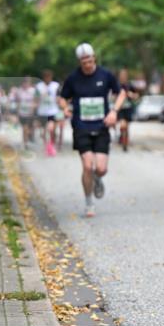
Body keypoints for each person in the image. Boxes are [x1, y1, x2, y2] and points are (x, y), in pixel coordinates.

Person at [57, 43, 126, 218]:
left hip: (102, 126)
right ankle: (89, 203)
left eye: (89, 60)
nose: (87, 64)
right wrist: (65, 108)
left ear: (94, 57)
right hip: (81, 126)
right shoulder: (73, 78)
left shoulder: (105, 75)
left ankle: (97, 178)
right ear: (79, 62)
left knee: (101, 168)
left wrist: (114, 112)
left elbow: (121, 93)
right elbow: (62, 98)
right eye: (83, 61)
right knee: (87, 166)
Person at [35, 70, 61, 156]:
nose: (47, 78)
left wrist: (59, 103)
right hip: (42, 112)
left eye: (49, 76)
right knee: (44, 132)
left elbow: (59, 97)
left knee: (51, 129)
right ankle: (47, 146)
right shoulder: (39, 86)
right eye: (46, 77)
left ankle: (52, 145)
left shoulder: (55, 86)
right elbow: (36, 98)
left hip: (53, 111)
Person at [116, 68, 139, 151]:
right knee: (122, 124)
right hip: (120, 108)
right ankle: (122, 137)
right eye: (121, 75)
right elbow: (112, 96)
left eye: (124, 75)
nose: (123, 76)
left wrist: (131, 95)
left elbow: (137, 96)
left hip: (128, 108)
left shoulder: (130, 85)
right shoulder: (117, 85)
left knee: (127, 126)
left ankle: (125, 139)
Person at [13, 76, 38, 150]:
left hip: (30, 113)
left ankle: (27, 140)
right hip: (22, 113)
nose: (26, 84)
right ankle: (25, 143)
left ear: (30, 83)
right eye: (25, 82)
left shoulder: (33, 91)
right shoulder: (19, 91)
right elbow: (18, 102)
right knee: (24, 128)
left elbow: (36, 101)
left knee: (27, 129)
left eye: (27, 82)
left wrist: (34, 107)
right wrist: (17, 114)